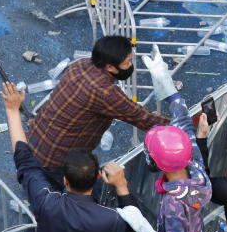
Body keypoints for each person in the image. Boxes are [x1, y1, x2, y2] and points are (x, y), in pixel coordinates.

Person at [0, 82, 137, 232]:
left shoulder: (47, 203)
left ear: (65, 180)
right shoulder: (112, 220)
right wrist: (121, 185)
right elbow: (134, 225)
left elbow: (24, 159)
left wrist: (12, 110)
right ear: (97, 176)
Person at [27, 35, 169, 185]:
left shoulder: (81, 65)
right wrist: (184, 124)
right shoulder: (105, 93)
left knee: (36, 181)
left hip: (35, 137)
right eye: (127, 62)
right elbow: (143, 118)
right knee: (56, 195)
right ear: (109, 67)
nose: (130, 64)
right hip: (56, 158)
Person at [140, 48, 211, 232]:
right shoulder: (195, 166)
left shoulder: (173, 204)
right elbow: (183, 121)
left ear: (158, 163)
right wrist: (166, 85)